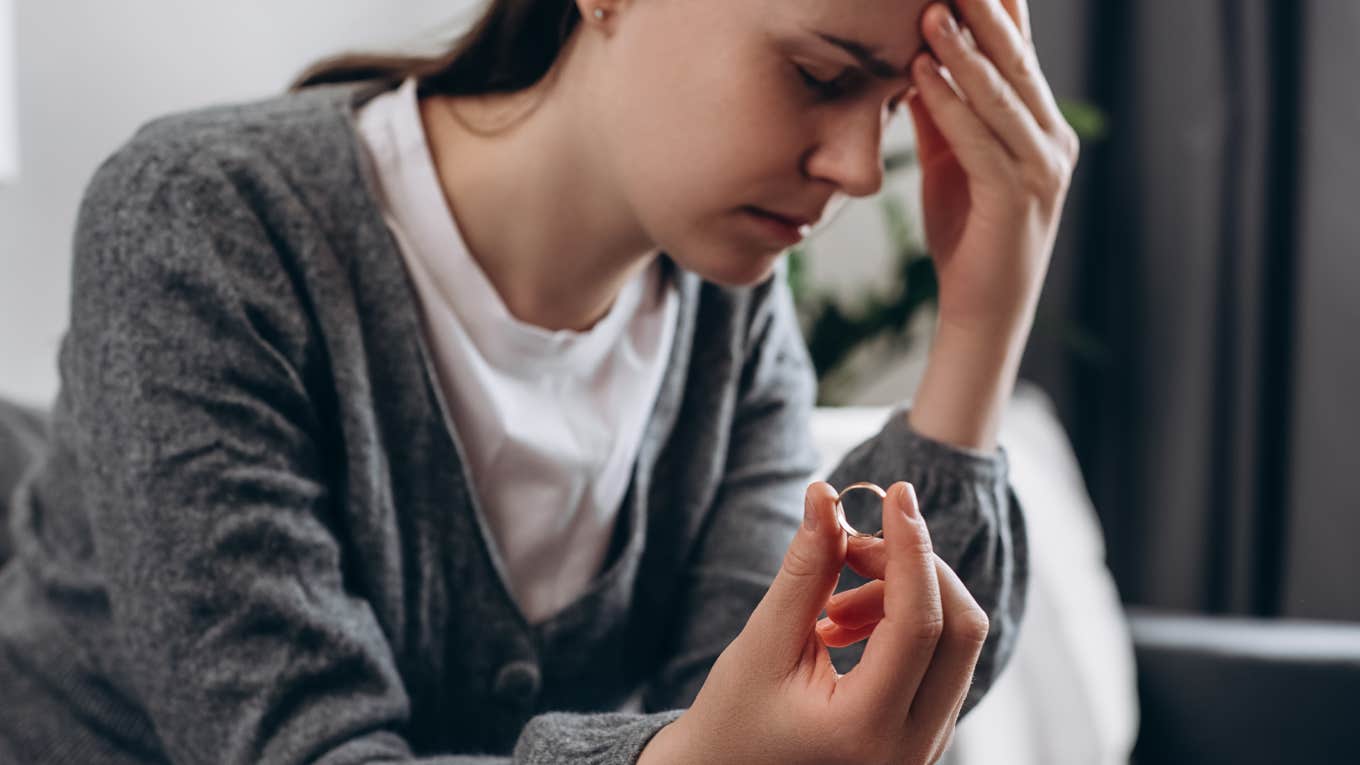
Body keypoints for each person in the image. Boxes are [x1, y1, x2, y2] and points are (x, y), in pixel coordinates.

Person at [0, 0, 1076, 762]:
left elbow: (799, 711)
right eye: (820, 76)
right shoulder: (203, 223)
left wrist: (980, 328)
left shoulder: (726, 314)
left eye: (888, 105)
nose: (853, 166)